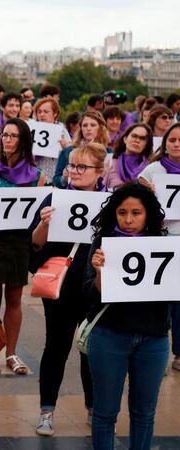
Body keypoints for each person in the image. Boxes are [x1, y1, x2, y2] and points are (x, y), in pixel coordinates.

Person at [84, 182, 171, 450]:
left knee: (144, 413)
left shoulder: (165, 246)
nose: (129, 219)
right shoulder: (103, 243)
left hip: (153, 338)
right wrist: (99, 271)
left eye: (136, 213)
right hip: (109, 335)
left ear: (148, 215)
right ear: (114, 214)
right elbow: (89, 294)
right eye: (122, 213)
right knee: (105, 412)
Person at [29, 143, 108, 436]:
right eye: (72, 166)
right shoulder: (54, 197)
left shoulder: (110, 202)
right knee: (56, 348)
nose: (74, 172)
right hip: (61, 286)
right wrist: (44, 224)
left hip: (95, 287)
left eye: (82, 167)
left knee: (92, 348)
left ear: (100, 172)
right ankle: (46, 410)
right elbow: (35, 247)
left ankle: (93, 407)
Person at [0, 117, 46, 375]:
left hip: (19, 242)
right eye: (4, 135)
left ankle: (12, 353)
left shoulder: (37, 176)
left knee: (15, 300)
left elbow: (38, 214)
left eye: (12, 135)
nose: (6, 140)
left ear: (23, 140)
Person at [139, 123, 180, 373]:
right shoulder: (153, 169)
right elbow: (135, 198)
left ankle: (179, 353)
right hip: (161, 238)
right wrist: (148, 191)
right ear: (165, 143)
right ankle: (159, 352)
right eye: (172, 140)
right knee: (160, 298)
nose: (177, 144)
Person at [53, 111, 110, 188]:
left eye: (93, 125)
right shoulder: (68, 151)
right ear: (81, 129)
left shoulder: (109, 153)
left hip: (98, 196)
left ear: (100, 129)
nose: (88, 128)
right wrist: (64, 178)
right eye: (85, 125)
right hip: (71, 196)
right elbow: (56, 180)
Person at [102, 123, 153, 190]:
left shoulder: (150, 168)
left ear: (147, 144)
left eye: (142, 138)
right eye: (134, 136)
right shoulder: (109, 162)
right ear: (125, 139)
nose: (137, 140)